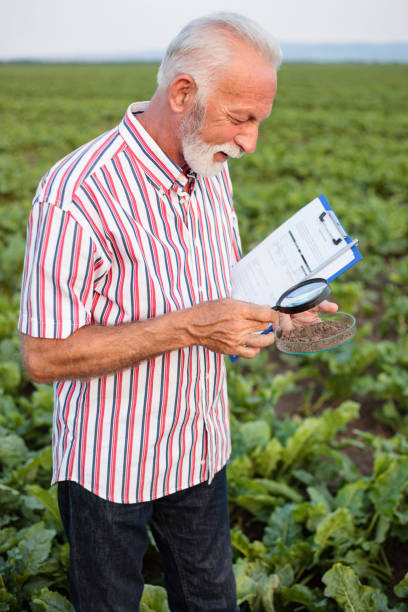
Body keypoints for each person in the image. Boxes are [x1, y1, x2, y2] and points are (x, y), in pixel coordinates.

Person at [19, 12, 337, 612]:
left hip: (198, 446)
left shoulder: (209, 166)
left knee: (213, 601)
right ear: (184, 93)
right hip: (110, 467)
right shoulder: (75, 195)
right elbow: (42, 356)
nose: (249, 142)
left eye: (257, 122)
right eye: (241, 119)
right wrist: (192, 326)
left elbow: (215, 287)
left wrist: (278, 307)